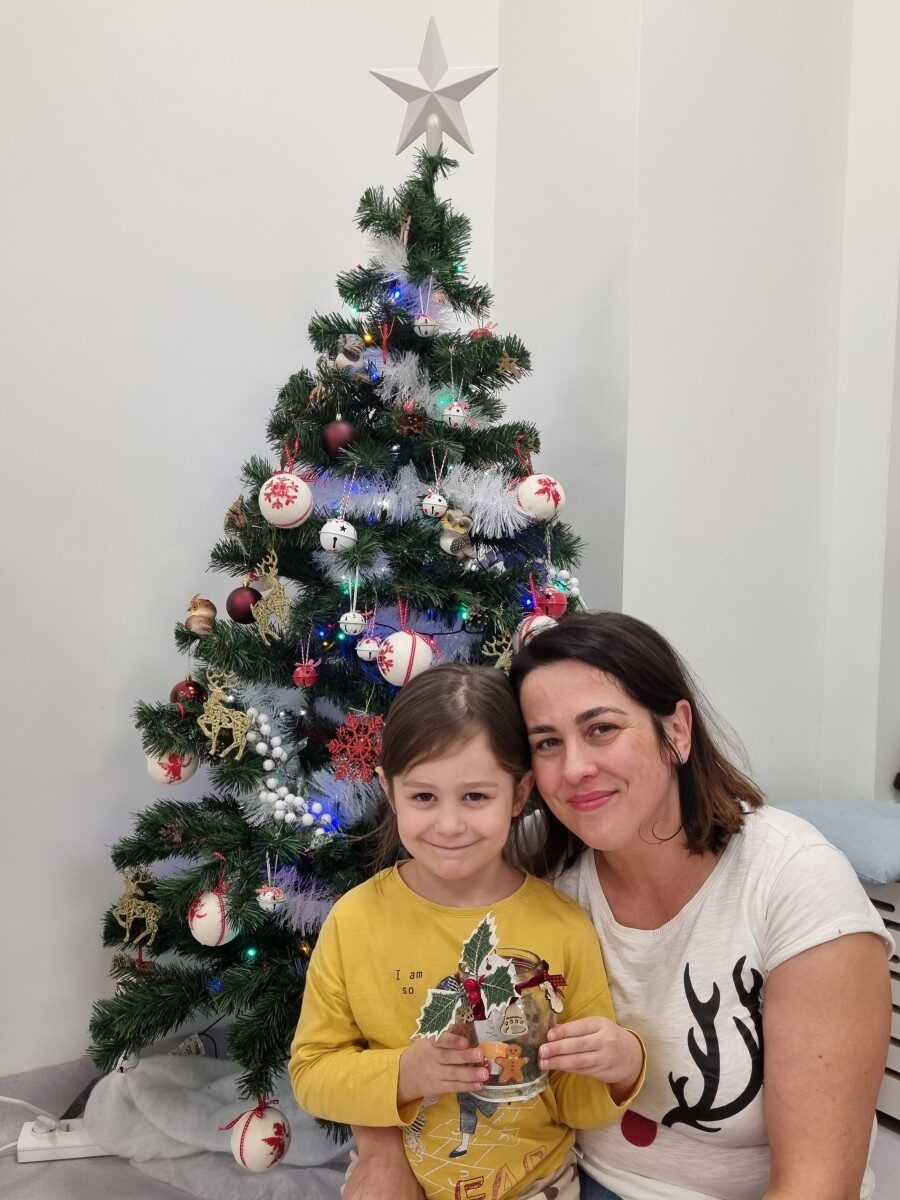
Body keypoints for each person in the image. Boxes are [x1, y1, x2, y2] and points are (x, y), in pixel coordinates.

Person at [345, 613, 893, 1200]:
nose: (575, 769)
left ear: (676, 730)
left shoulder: (796, 883)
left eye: (602, 729)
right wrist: (381, 1148)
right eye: (548, 743)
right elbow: (382, 1001)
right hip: (563, 1178)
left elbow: (818, 1186)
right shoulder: (528, 864)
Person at [289, 662, 646, 1200]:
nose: (450, 824)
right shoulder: (354, 920)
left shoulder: (564, 926)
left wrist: (621, 1067)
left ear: (519, 794)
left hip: (537, 1184)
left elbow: (575, 1103)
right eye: (423, 797)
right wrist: (405, 1073)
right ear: (388, 790)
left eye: (476, 797)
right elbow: (312, 1075)